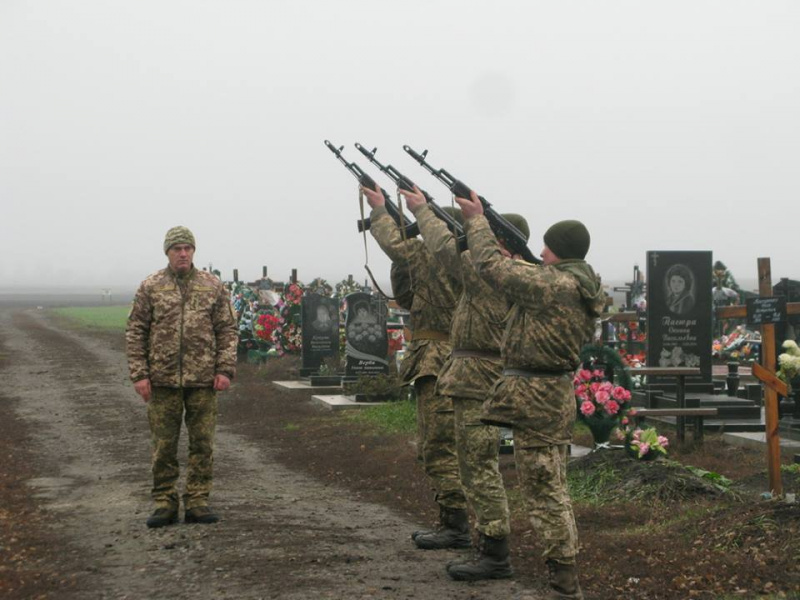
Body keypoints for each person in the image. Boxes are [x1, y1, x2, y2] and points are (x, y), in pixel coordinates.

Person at [455, 191, 604, 600]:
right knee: (549, 487)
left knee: (544, 491)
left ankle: (565, 585)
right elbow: (517, 273)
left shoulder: (554, 284)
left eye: (546, 248)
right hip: (547, 396)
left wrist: (477, 221)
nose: (540, 253)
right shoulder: (570, 283)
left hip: (537, 399)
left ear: (559, 251)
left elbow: (490, 267)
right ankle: (563, 578)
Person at [399, 185, 518, 581]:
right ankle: (484, 545)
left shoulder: (497, 276)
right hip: (474, 377)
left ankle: (494, 554)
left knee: (480, 469)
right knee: (473, 467)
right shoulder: (506, 275)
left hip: (480, 379)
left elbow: (445, 250)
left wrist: (423, 211)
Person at [360, 183, 469, 551]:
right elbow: (408, 294)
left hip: (437, 360)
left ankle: (456, 525)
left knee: (438, 446)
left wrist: (379, 209)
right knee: (447, 445)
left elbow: (394, 244)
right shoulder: (468, 261)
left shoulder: (434, 256)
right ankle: (456, 519)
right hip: (456, 358)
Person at [126, 226, 238, 528]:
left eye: (188, 248)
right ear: (168, 252)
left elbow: (227, 329)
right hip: (162, 381)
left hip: (203, 380)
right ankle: (164, 502)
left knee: (202, 443)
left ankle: (197, 501)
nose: (183, 254)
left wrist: (224, 369)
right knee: (164, 446)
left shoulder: (211, 286)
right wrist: (139, 374)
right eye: (177, 249)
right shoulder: (151, 286)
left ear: (194, 251)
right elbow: (136, 330)